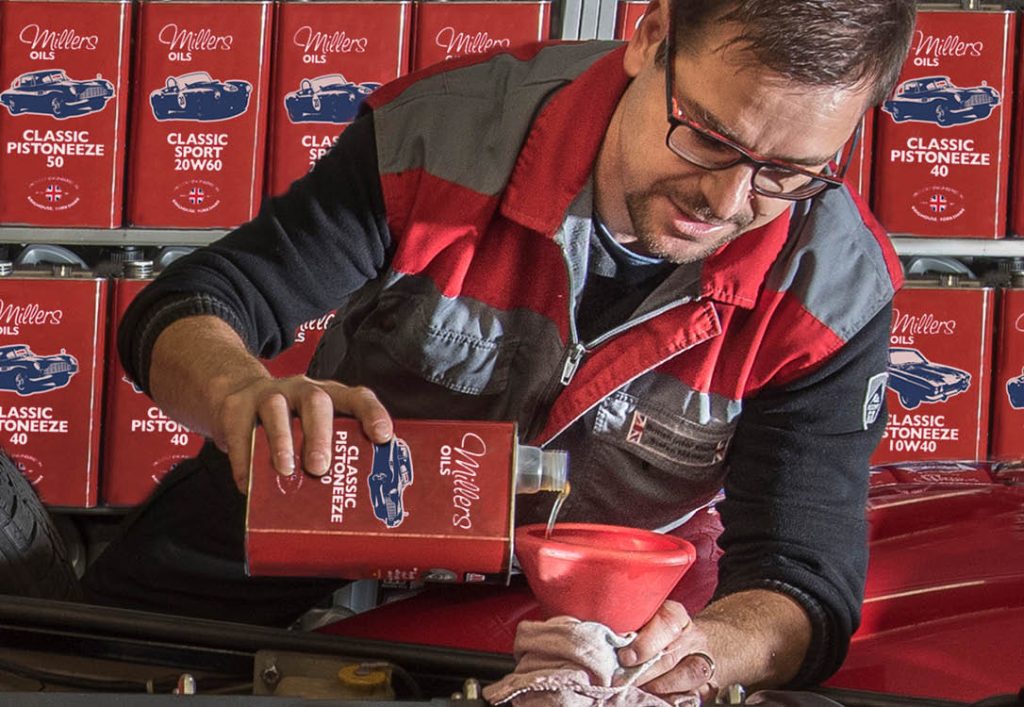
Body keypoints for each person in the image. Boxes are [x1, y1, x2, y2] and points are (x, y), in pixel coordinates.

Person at [83, 0, 915, 699]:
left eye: (789, 174)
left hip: (587, 624)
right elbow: (194, 303)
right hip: (318, 516)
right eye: (707, 135)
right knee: (83, 661)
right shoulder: (442, 138)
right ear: (651, 36)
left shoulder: (833, 291)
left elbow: (801, 576)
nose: (726, 199)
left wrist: (694, 654)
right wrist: (237, 395)